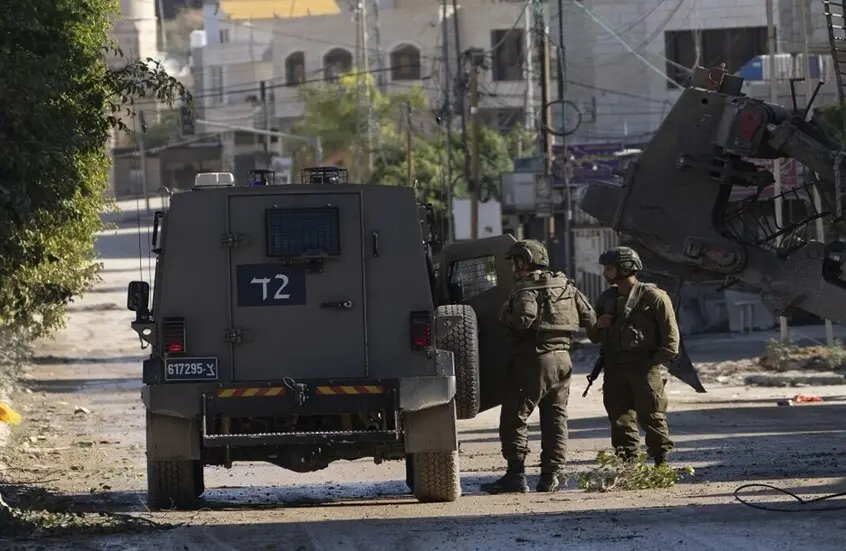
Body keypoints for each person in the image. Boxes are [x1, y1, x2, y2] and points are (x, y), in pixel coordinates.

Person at [481, 239, 596, 494]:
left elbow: (523, 319)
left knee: (515, 417)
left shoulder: (526, 288)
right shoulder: (565, 285)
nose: (513, 268)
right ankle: (551, 477)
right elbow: (590, 318)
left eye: (515, 262)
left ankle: (516, 475)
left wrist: (505, 314)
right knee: (555, 418)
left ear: (523, 261)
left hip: (533, 359)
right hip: (563, 359)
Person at [586, 246, 680, 466]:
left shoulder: (654, 297)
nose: (605, 273)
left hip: (644, 366)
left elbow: (671, 339)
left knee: (652, 414)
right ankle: (627, 463)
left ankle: (661, 461)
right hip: (615, 366)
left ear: (626, 267)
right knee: (619, 417)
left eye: (609, 268)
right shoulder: (606, 299)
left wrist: (653, 363)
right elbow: (593, 337)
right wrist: (599, 325)